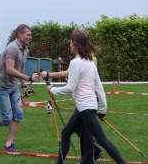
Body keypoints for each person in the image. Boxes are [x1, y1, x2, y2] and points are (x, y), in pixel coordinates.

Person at [46, 28, 126, 164]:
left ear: (76, 44)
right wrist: (102, 109)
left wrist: (52, 89)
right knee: (66, 133)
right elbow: (98, 88)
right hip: (87, 106)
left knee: (102, 140)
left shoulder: (75, 63)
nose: (69, 45)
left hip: (85, 107)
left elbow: (70, 88)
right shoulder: (89, 63)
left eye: (71, 43)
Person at [0, 24, 39, 152]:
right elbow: (10, 70)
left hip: (13, 87)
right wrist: (28, 77)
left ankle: (9, 145)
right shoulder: (12, 48)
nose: (30, 37)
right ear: (20, 35)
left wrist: (24, 86)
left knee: (18, 115)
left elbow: (20, 67)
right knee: (6, 118)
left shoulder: (25, 50)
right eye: (28, 35)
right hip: (1, 86)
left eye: (31, 35)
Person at [40, 69, 103, 164]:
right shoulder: (85, 58)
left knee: (68, 132)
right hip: (87, 100)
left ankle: (92, 155)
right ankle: (95, 151)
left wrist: (48, 75)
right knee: (77, 129)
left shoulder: (82, 57)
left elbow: (69, 73)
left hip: (86, 102)